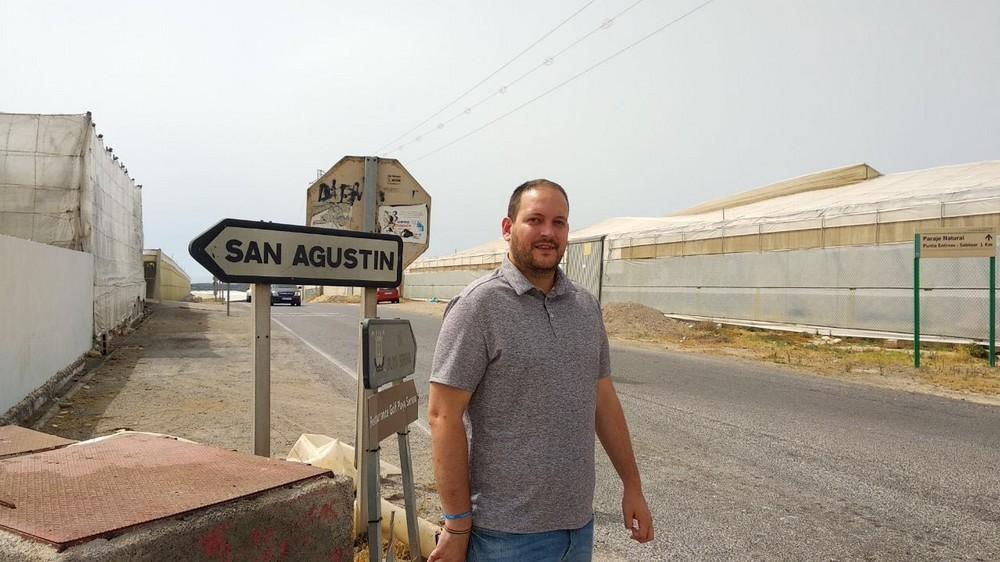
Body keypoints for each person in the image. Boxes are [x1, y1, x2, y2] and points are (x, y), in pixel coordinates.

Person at [427, 179, 654, 562]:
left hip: (577, 529)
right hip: (504, 536)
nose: (548, 232)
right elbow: (442, 416)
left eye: (559, 222)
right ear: (507, 228)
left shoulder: (585, 307)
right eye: (535, 220)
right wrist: (457, 525)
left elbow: (603, 401)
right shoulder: (478, 307)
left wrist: (632, 485)